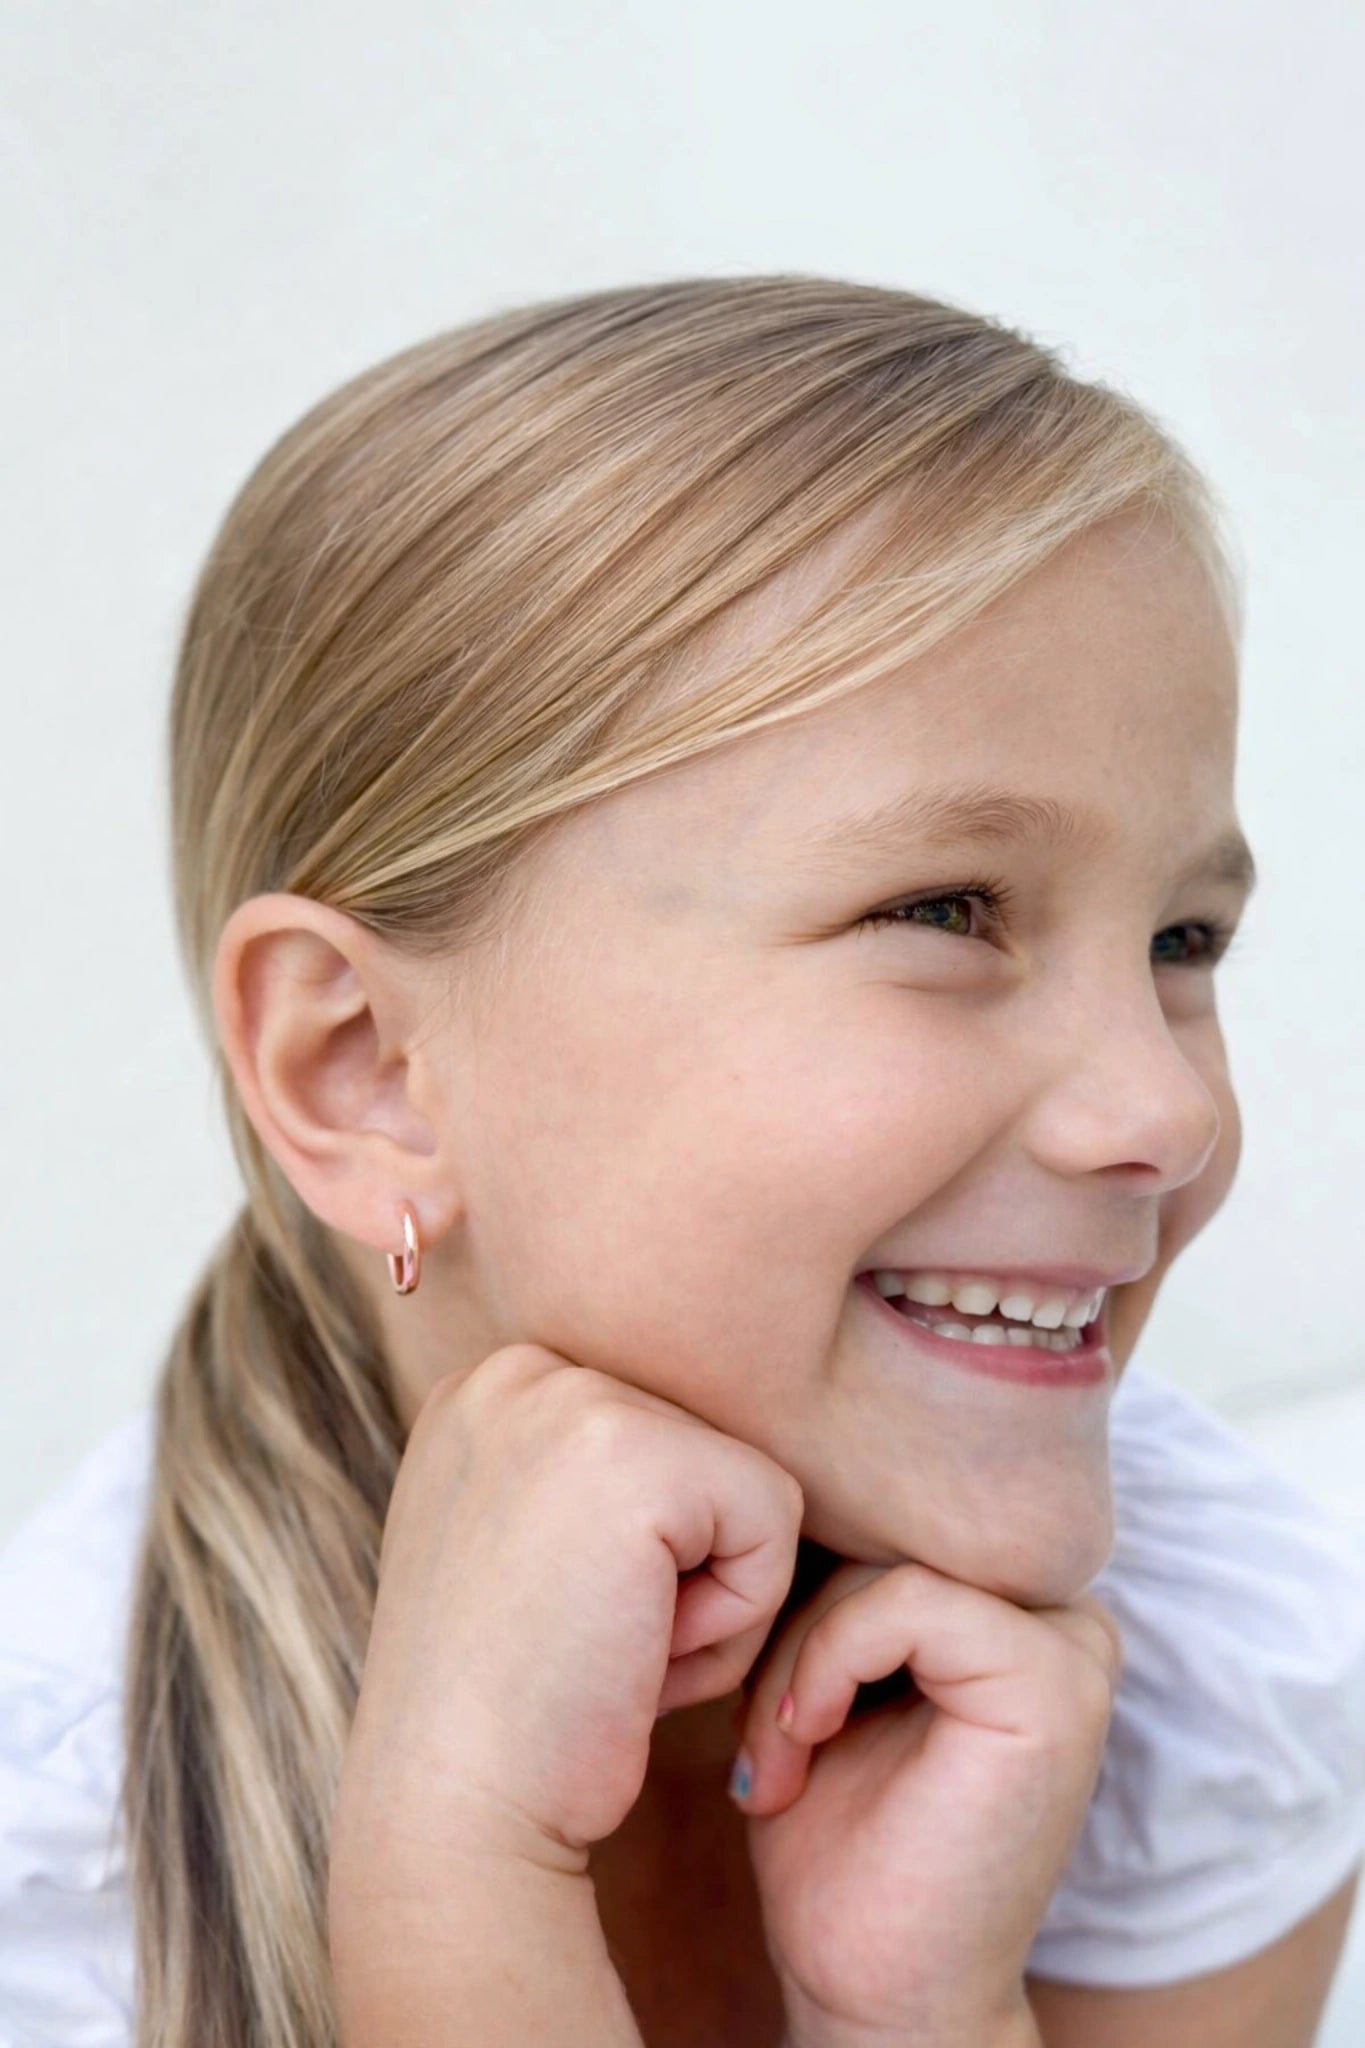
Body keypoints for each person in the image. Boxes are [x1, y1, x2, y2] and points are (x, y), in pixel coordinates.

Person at [2, 275, 1364, 2048]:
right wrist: (457, 1873)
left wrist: (911, 2018)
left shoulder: (1206, 1670)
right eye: (941, 910)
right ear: (363, 1070)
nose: (1163, 1115)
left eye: (1183, 943)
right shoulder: (61, 1873)